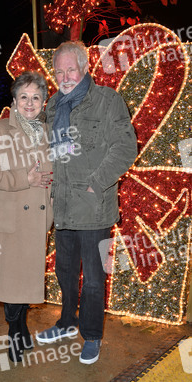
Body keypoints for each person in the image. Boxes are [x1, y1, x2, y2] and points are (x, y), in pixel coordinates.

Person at [36, 41, 138, 364]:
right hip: (64, 207)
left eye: (70, 69)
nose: (65, 76)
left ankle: (91, 335)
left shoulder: (107, 102)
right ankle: (67, 322)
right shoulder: (53, 106)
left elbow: (125, 148)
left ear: (84, 68)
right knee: (65, 271)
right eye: (59, 71)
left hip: (94, 211)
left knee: (94, 278)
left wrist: (96, 183)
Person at [0, 71, 53, 363]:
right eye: (24, 97)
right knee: (11, 279)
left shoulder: (48, 133)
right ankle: (14, 331)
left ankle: (22, 325)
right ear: (14, 101)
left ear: (44, 102)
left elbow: (54, 175)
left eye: (36, 97)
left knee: (25, 280)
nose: (30, 102)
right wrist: (27, 178)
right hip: (9, 217)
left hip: (36, 219)